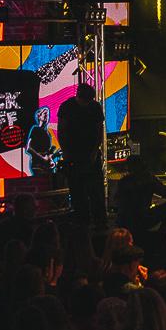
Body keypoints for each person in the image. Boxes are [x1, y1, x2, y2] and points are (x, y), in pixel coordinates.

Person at [57, 81, 107, 227]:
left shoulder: (94, 107)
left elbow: (99, 131)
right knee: (78, 191)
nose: (87, 104)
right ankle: (83, 221)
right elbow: (61, 131)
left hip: (90, 154)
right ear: (78, 96)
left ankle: (99, 221)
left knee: (96, 191)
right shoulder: (67, 107)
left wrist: (94, 151)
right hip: (73, 154)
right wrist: (66, 152)